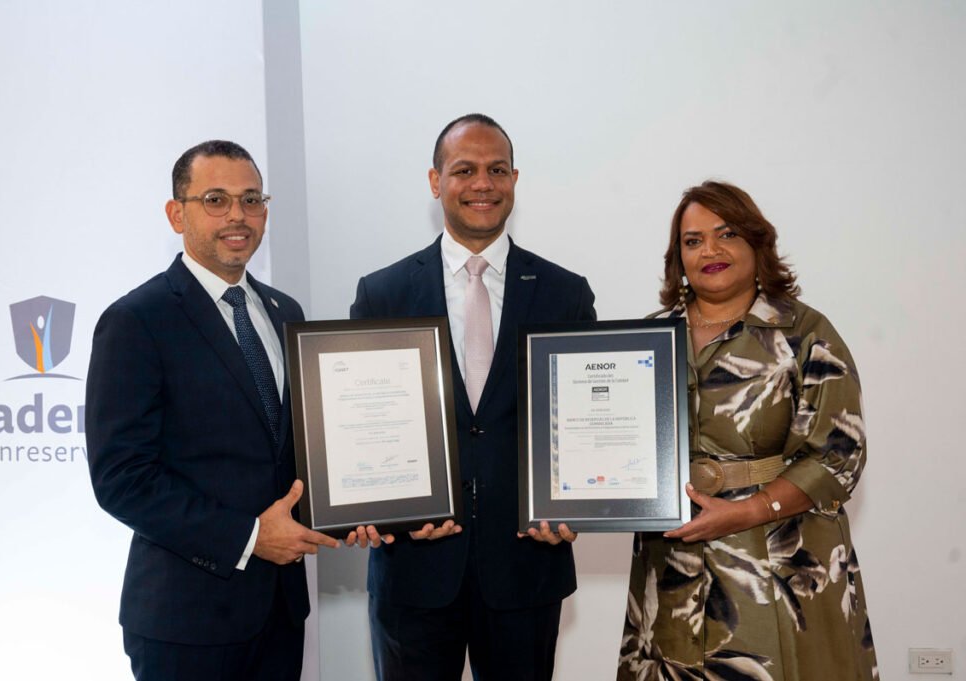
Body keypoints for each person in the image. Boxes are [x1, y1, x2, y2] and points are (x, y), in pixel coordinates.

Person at [348, 114, 597, 680]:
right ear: (435, 181)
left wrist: (579, 501)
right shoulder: (383, 293)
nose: (482, 183)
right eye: (464, 170)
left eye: (497, 170)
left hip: (526, 564)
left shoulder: (564, 293)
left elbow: (583, 423)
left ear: (515, 180)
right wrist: (382, 511)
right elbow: (362, 426)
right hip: (413, 568)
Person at [86, 140, 340, 681]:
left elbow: (298, 449)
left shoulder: (285, 311)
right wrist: (249, 537)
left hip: (279, 613)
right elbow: (122, 479)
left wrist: (360, 508)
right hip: (186, 620)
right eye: (216, 200)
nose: (238, 216)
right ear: (177, 213)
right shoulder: (137, 320)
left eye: (251, 200)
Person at [617, 181, 877, 680]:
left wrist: (749, 510)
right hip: (673, 562)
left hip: (781, 556)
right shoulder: (647, 336)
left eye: (727, 234)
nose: (709, 250)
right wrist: (568, 499)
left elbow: (837, 455)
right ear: (678, 258)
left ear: (757, 243)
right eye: (693, 241)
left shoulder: (805, 333)